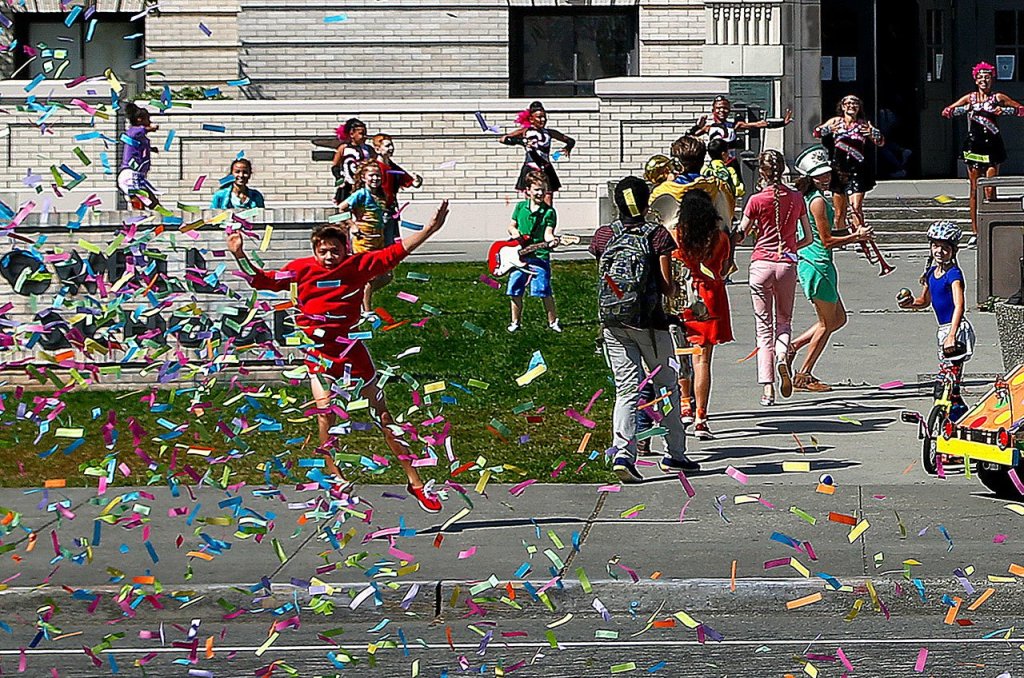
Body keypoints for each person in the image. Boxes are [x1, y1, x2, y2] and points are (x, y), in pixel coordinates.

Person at [225, 201, 453, 513]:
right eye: (324, 251)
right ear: (315, 251)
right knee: (326, 413)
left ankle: (414, 482)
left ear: (345, 249)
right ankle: (334, 476)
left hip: (352, 350)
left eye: (335, 250)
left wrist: (428, 230)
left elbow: (396, 253)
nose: (330, 257)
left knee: (384, 417)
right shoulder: (302, 268)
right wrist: (239, 254)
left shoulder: (357, 266)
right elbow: (263, 280)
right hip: (320, 354)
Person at [590, 176, 699, 482]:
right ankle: (676, 454)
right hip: (651, 325)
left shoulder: (603, 236)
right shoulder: (657, 235)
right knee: (666, 387)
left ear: (616, 203)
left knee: (626, 389)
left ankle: (623, 453)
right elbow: (666, 287)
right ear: (646, 201)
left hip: (613, 323)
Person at [788, 145, 872, 392]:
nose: (825, 178)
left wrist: (852, 233)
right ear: (808, 177)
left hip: (813, 262)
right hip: (818, 264)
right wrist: (856, 236)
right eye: (819, 175)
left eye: (826, 173)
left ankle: (792, 347)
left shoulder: (805, 198)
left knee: (839, 318)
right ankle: (804, 375)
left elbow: (824, 233)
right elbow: (825, 240)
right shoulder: (816, 202)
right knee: (827, 323)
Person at [737, 150, 813, 406]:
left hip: (761, 263)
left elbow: (741, 233)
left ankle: (767, 388)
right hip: (787, 264)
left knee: (762, 328)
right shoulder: (797, 198)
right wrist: (791, 247)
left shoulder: (756, 200)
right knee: (784, 321)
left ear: (761, 171)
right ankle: (782, 357)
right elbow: (809, 237)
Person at [674, 190, 733, 439]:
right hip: (711, 297)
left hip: (685, 295)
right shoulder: (720, 237)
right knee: (703, 361)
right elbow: (726, 266)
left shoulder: (679, 235)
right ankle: (701, 417)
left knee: (682, 354)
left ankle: (684, 403)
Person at [942, 62, 1024, 238]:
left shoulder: (998, 97)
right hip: (974, 147)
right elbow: (947, 112)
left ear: (992, 79)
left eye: (987, 77)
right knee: (974, 189)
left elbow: (1020, 109)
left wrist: (1004, 110)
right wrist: (965, 109)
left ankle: (992, 226)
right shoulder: (970, 98)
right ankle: (975, 231)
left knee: (990, 187)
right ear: (975, 79)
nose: (984, 80)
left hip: (992, 146)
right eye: (980, 77)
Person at [897, 221, 974, 391]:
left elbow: (959, 306)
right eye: (935, 246)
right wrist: (910, 304)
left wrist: (952, 335)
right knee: (947, 383)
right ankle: (950, 414)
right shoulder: (931, 273)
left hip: (957, 329)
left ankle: (954, 413)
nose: (939, 251)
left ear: (953, 251)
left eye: (945, 248)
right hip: (944, 330)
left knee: (948, 383)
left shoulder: (954, 274)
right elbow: (924, 301)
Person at [813, 95, 885, 235]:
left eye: (855, 103)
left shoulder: (863, 124)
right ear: (842, 106)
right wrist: (828, 130)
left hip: (857, 170)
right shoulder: (836, 121)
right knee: (840, 211)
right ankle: (841, 235)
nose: (851, 106)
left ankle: (860, 235)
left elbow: (881, 142)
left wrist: (873, 133)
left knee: (855, 207)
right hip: (839, 170)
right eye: (848, 103)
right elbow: (816, 133)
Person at [506, 170, 560, 333]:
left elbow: (548, 233)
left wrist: (552, 241)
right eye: (537, 189)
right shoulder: (520, 207)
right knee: (515, 289)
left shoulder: (549, 212)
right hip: (519, 256)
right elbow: (511, 225)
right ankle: (515, 322)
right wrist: (515, 233)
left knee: (543, 290)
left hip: (539, 257)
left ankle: (553, 321)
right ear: (527, 191)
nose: (540, 193)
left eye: (543, 189)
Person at [336, 161, 390, 315]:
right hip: (363, 239)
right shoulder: (360, 194)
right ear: (364, 177)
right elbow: (341, 209)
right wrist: (352, 225)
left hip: (378, 238)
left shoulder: (380, 194)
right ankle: (367, 311)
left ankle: (357, 293)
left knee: (387, 275)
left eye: (378, 175)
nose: (375, 178)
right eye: (371, 175)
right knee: (369, 277)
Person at [499, 101, 575, 206]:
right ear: (531, 119)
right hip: (531, 167)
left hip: (546, 168)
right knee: (531, 201)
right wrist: (521, 142)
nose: (543, 120)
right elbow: (503, 139)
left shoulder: (549, 132)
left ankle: (547, 221)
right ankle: (530, 220)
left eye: (544, 117)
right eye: (539, 117)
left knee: (548, 199)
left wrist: (568, 147)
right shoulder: (525, 131)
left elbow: (570, 140)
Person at [689, 95, 793, 169]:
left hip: (731, 162)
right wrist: (697, 126)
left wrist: (782, 123)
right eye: (719, 108)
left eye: (725, 108)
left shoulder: (734, 125)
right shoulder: (708, 127)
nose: (722, 111)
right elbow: (688, 138)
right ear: (713, 110)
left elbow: (759, 124)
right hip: (715, 163)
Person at [372, 133, 422, 245]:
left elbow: (411, 182)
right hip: (376, 210)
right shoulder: (374, 167)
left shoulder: (392, 167)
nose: (391, 148)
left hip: (390, 210)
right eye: (387, 146)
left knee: (390, 244)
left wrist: (417, 180)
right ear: (377, 149)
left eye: (392, 145)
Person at [118, 102, 159, 209]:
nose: (149, 122)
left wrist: (151, 149)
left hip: (137, 176)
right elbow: (135, 134)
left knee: (153, 203)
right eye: (147, 119)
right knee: (142, 203)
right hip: (130, 175)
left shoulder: (139, 136)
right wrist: (149, 128)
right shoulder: (134, 131)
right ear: (140, 120)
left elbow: (138, 147)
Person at [331, 117, 375, 204]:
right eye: (361, 134)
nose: (364, 137)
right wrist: (339, 178)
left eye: (365, 133)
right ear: (352, 134)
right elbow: (335, 166)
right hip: (348, 185)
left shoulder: (368, 149)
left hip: (365, 185)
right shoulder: (344, 148)